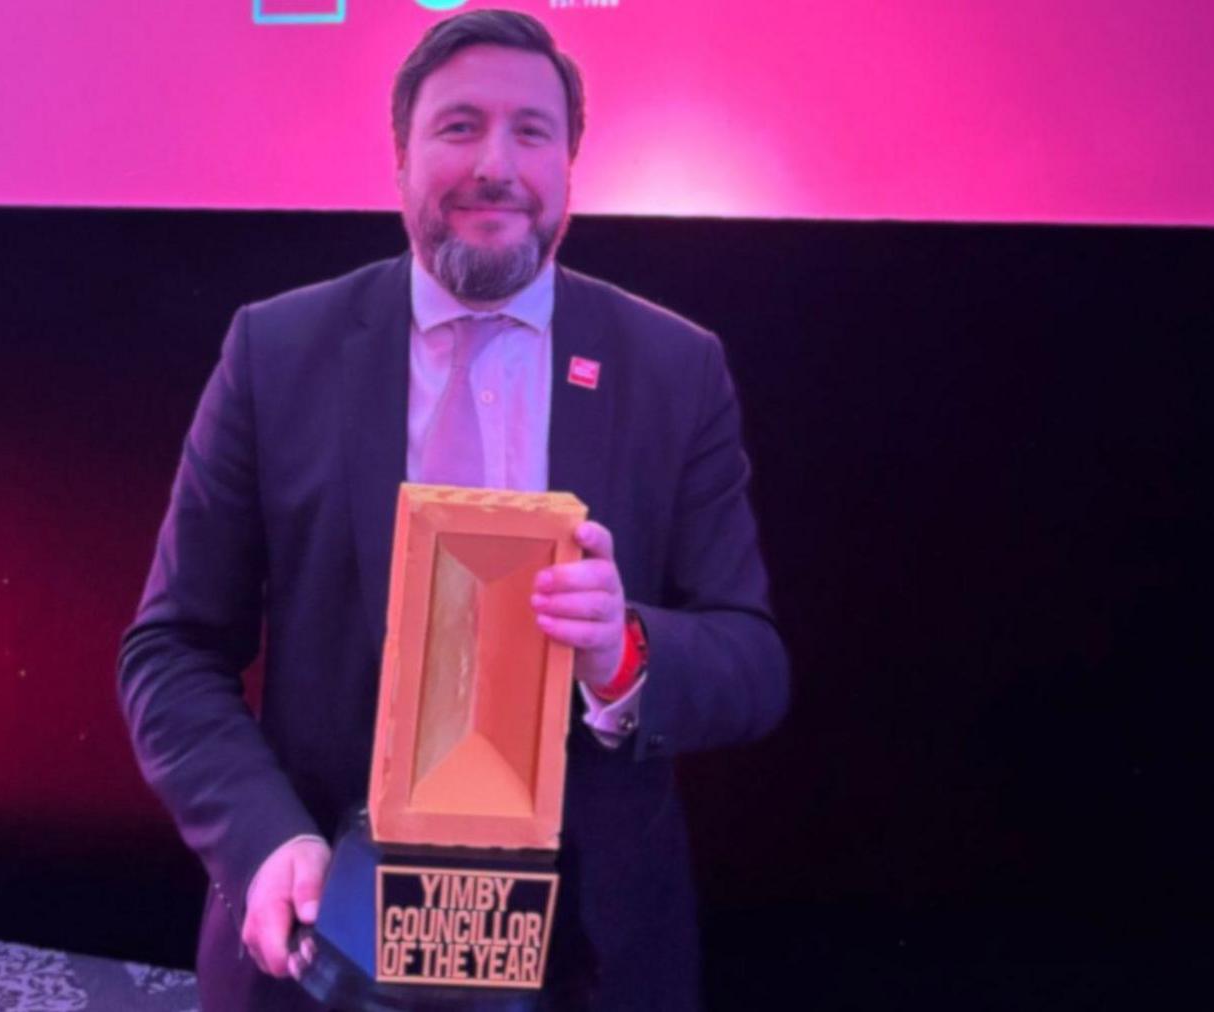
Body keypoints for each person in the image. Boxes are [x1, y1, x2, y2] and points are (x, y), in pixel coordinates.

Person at [117, 10, 788, 1009]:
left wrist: (624, 654)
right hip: (322, 940)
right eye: (459, 127)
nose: (497, 164)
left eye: (531, 131)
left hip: (589, 958)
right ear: (399, 160)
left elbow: (752, 661)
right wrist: (264, 841)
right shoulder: (276, 351)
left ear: (570, 163)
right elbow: (169, 652)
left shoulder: (674, 369)